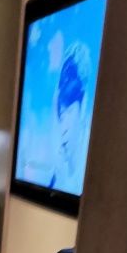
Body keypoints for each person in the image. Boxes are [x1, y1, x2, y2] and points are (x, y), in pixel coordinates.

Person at [49, 40, 93, 196]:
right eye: (61, 116)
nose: (63, 129)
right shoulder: (58, 174)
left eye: (69, 113)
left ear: (83, 106)